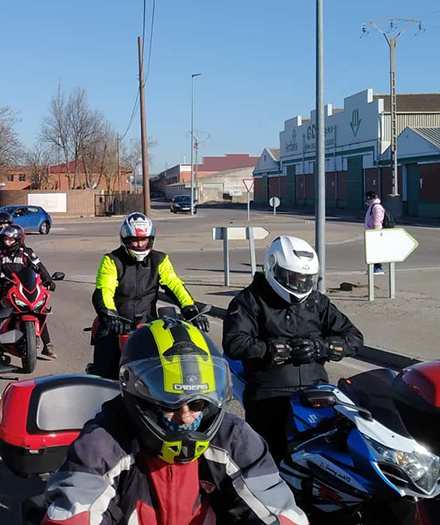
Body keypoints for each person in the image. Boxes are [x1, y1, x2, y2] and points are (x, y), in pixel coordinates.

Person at [41, 318, 308, 525]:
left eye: (198, 404)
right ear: (141, 399)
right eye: (170, 404)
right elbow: (77, 508)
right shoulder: (102, 444)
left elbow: (277, 509)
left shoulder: (235, 440)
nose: (186, 417)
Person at [222, 235, 364, 462]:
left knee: (330, 456)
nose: (300, 284)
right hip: (269, 394)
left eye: (307, 279)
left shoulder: (317, 302)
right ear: (272, 268)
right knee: (266, 459)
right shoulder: (248, 301)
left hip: (315, 391)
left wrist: (321, 347)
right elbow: (234, 343)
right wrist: (275, 349)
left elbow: (354, 338)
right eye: (294, 277)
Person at [90, 212, 207, 379]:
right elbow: (105, 290)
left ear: (151, 239)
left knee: (163, 370)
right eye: (135, 240)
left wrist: (191, 309)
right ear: (125, 239)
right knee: (104, 372)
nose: (139, 244)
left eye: (143, 240)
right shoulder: (111, 260)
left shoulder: (160, 260)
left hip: (149, 325)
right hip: (116, 324)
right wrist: (110, 315)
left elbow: (174, 285)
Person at [0, 223, 58, 358]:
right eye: (5, 239)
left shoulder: (27, 253)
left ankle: (47, 344)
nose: (7, 242)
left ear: (18, 240)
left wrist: (48, 280)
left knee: (38, 310)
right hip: (7, 287)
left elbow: (39, 267)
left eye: (10, 239)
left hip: (25, 287)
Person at [365, 190, 386, 274]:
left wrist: (374, 232)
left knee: (376, 250)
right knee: (372, 251)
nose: (366, 200)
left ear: (370, 198)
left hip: (375, 232)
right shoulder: (372, 206)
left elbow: (377, 221)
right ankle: (373, 268)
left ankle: (378, 268)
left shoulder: (377, 207)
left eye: (367, 198)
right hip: (371, 232)